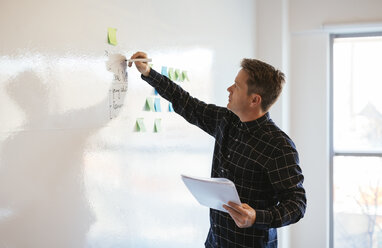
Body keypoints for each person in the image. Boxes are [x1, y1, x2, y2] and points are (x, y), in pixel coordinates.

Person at [128, 51, 307, 248]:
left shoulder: (278, 146)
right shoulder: (226, 121)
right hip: (215, 242)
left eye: (237, 86)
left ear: (254, 100)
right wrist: (148, 72)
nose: (229, 89)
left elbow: (297, 204)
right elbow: (186, 102)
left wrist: (256, 217)